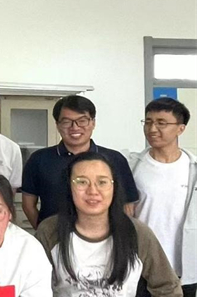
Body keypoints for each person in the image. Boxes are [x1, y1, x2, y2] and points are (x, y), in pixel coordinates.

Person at [35, 152, 185, 297]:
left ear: (114, 186)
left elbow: (167, 287)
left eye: (102, 182)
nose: (93, 191)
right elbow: (38, 289)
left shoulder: (137, 233)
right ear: (69, 187)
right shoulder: (50, 231)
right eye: (82, 182)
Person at [129, 98, 196, 297]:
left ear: (180, 128)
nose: (152, 129)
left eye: (161, 123)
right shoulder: (132, 166)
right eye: (147, 122)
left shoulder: (192, 168)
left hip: (181, 267)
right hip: (139, 266)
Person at [22, 95, 138, 229]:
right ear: (57, 125)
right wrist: (45, 232)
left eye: (82, 121)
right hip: (55, 236)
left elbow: (127, 205)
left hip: (104, 237)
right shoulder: (39, 159)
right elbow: (28, 204)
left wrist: (117, 234)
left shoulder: (115, 159)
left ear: (93, 123)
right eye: (66, 122)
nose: (75, 127)